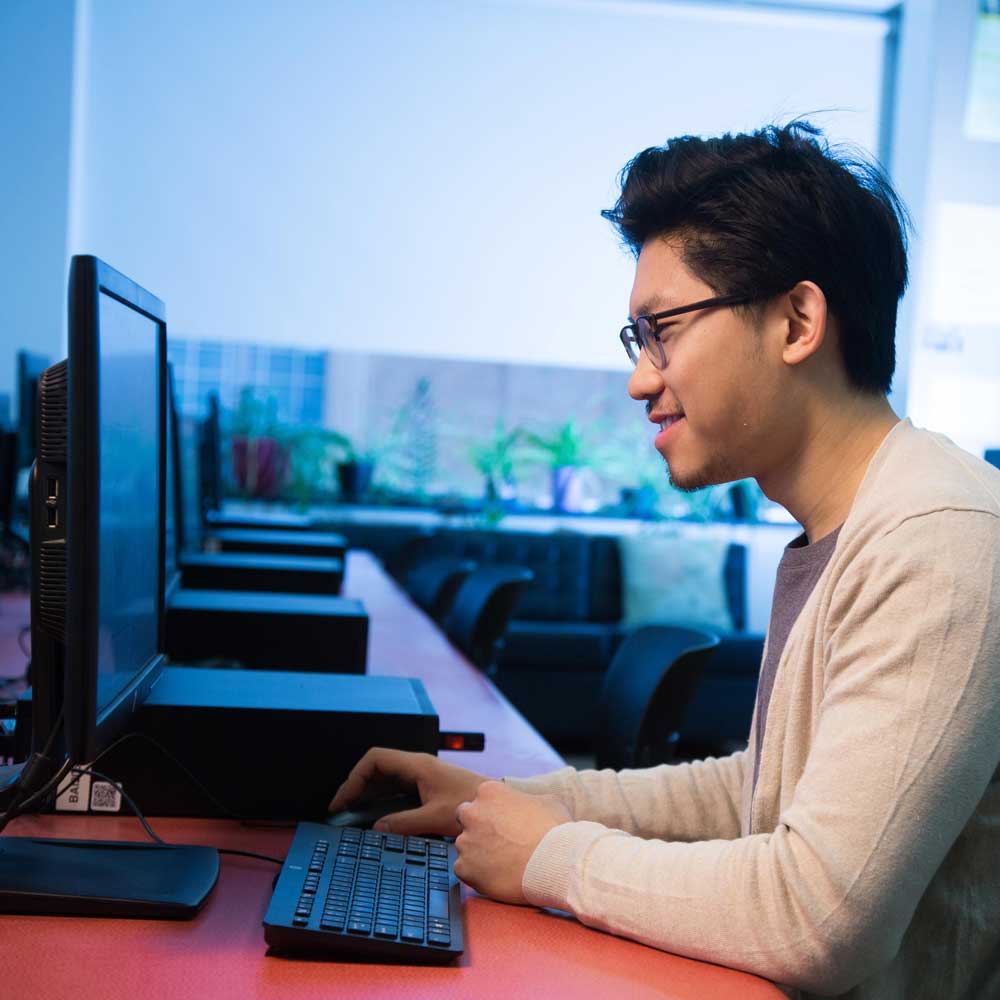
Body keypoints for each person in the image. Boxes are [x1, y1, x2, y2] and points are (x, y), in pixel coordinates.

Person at [328, 122, 1000, 1000]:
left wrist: (551, 858)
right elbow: (757, 792)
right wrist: (512, 804)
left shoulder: (939, 537)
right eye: (635, 339)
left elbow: (818, 916)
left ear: (797, 321)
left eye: (663, 331)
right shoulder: (852, 524)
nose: (642, 379)